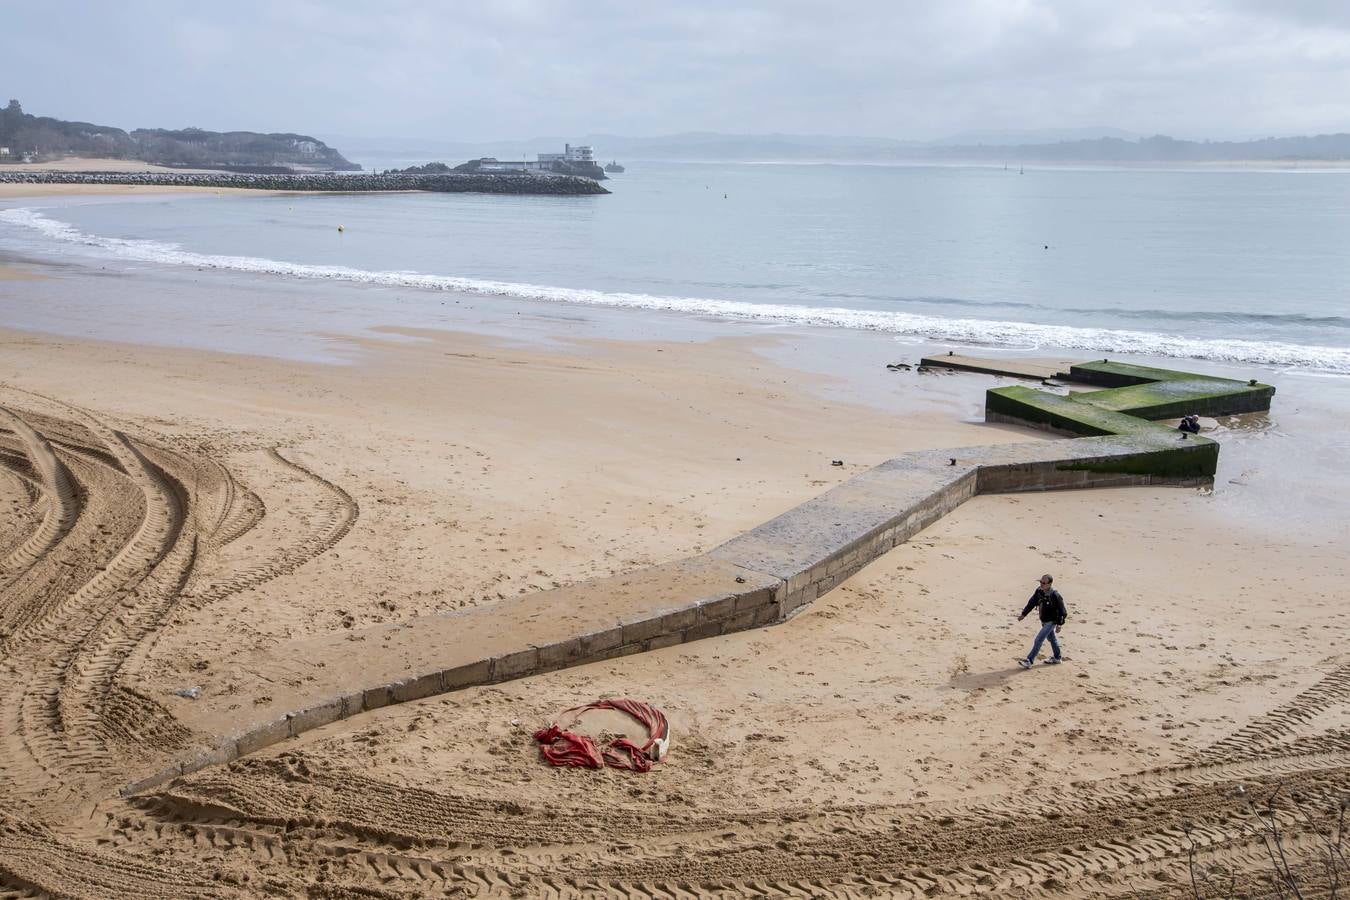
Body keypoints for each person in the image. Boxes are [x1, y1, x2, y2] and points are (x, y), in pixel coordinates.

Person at [1017, 574, 1067, 668]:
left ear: (1050, 584)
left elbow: (1062, 611)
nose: (1041, 584)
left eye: (1044, 583)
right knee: (1052, 639)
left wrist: (1059, 624)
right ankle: (1057, 657)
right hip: (1043, 620)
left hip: (1052, 621)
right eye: (1040, 582)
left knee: (1039, 639)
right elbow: (1032, 602)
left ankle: (1029, 661)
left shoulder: (1055, 595)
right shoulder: (1039, 591)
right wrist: (1024, 614)